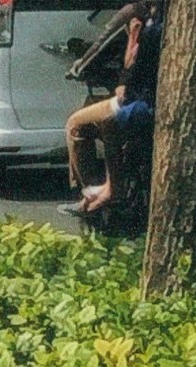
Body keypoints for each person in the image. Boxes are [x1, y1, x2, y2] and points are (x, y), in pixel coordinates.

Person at [67, 2, 160, 215]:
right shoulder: (162, 18)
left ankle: (92, 194)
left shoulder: (135, 14)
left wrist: (79, 67)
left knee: (76, 123)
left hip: (138, 99)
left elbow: (101, 46)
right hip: (148, 97)